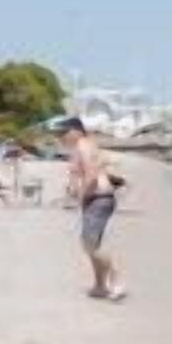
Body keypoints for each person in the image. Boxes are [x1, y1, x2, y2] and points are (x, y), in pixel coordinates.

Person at [64, 117, 126, 302]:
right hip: (98, 198)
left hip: (98, 198)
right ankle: (99, 285)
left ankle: (116, 280)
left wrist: (81, 196)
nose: (63, 137)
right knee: (91, 244)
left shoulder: (83, 146)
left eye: (65, 132)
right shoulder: (86, 145)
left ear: (76, 131)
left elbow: (91, 175)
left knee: (89, 244)